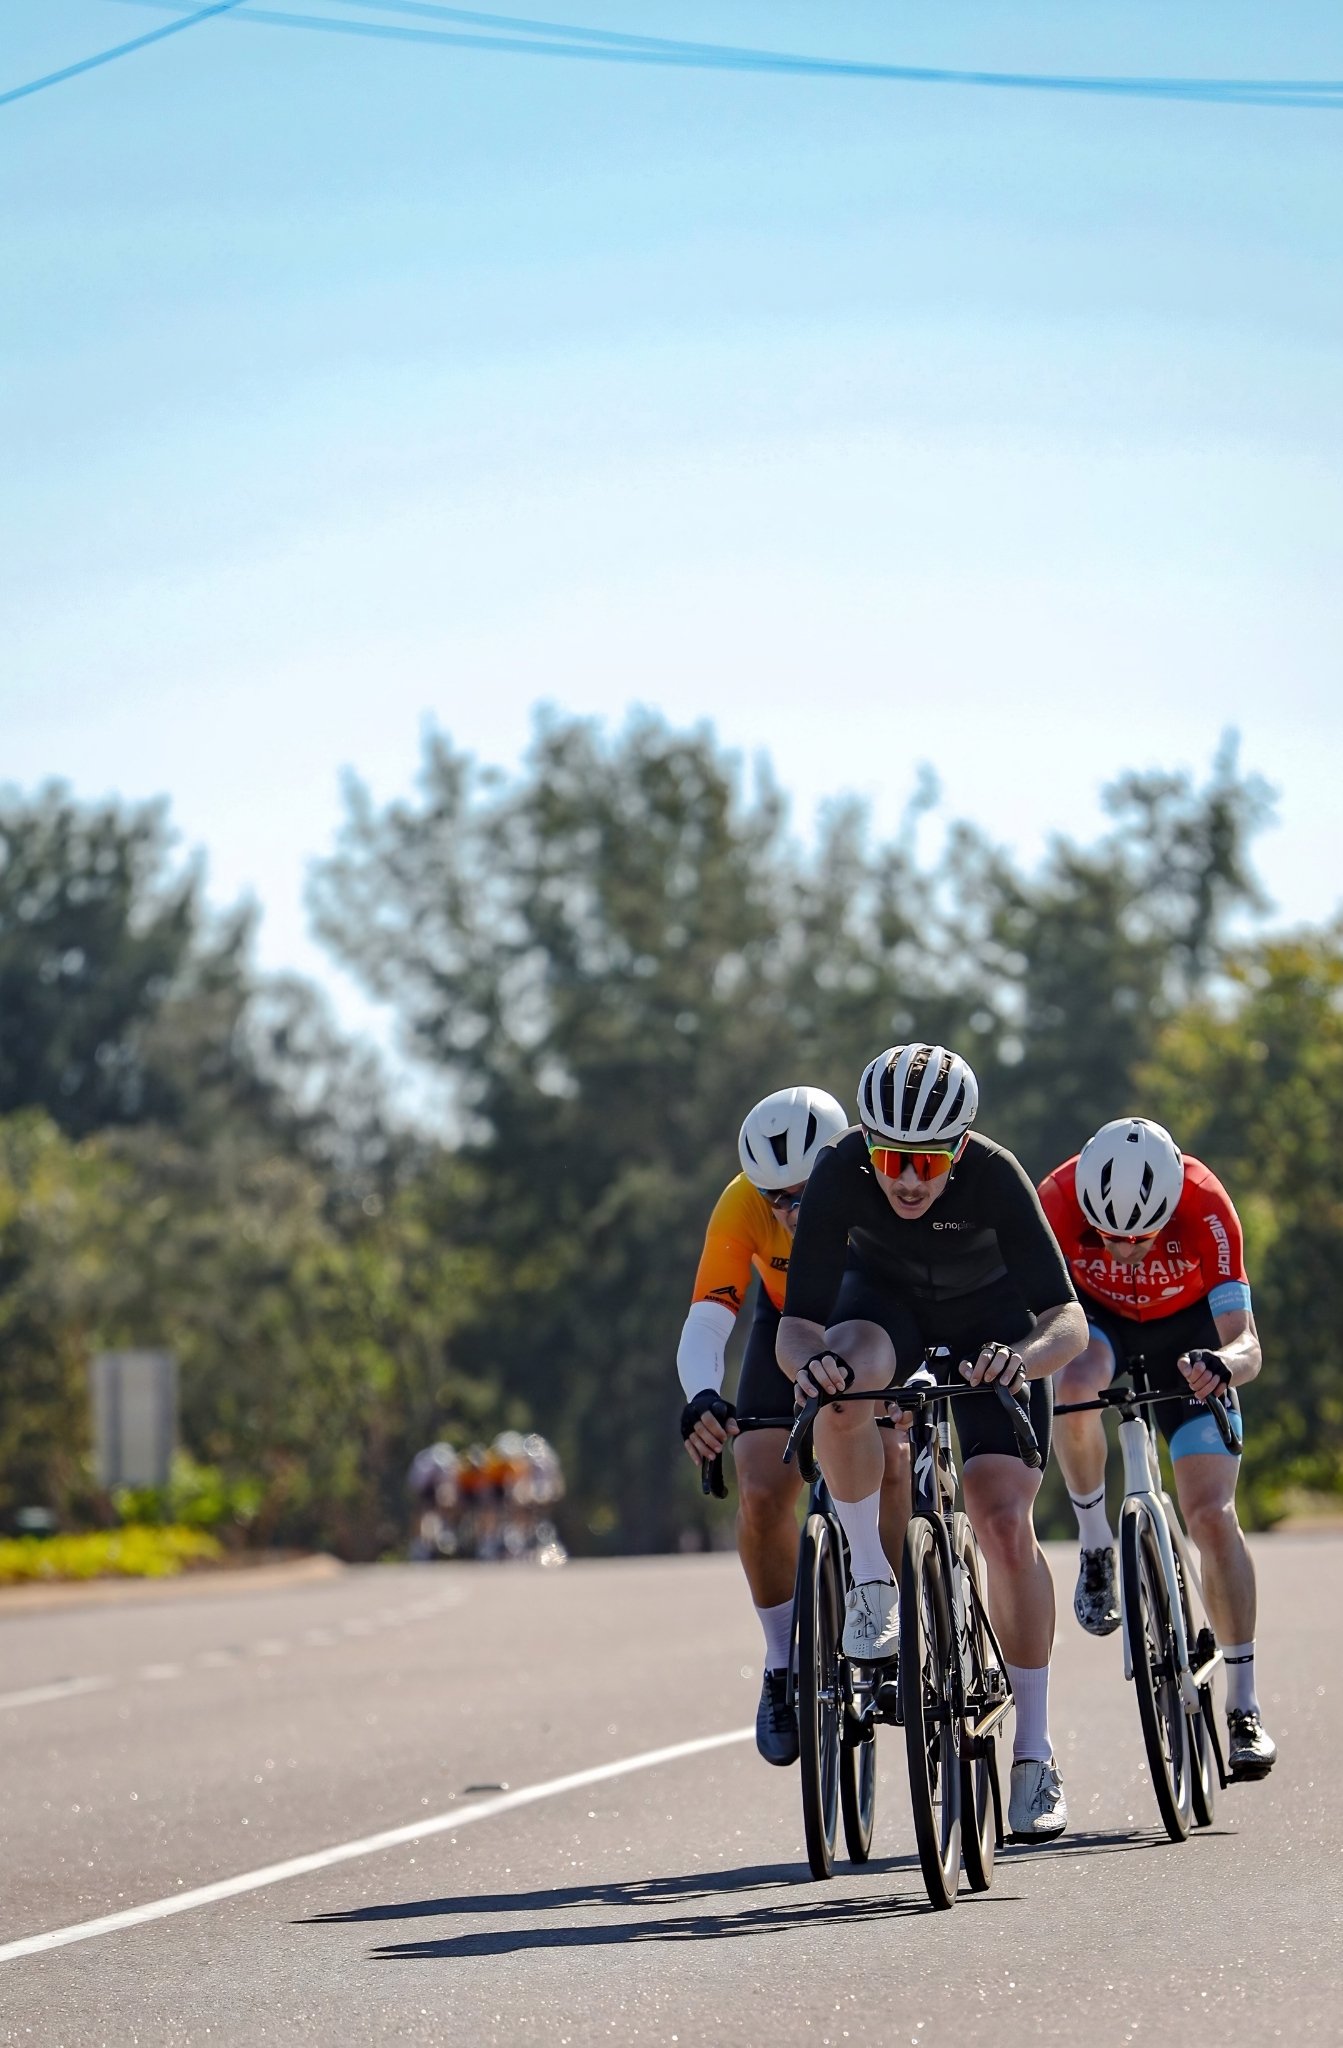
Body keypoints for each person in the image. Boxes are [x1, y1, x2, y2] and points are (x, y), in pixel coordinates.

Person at [778, 1043, 1088, 1841]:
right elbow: (798, 1326)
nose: (906, 1178)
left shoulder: (994, 1174)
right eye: (889, 1157)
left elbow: (1067, 1320)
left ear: (958, 1149)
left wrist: (1021, 1361)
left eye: (926, 1161)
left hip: (992, 1329)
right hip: (884, 1312)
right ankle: (874, 1583)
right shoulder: (840, 1171)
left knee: (1000, 1523)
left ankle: (1032, 1752)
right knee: (842, 1383)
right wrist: (812, 1368)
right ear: (865, 1146)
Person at [1038, 1116, 1276, 1779]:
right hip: (1101, 1327)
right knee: (1073, 1384)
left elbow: (1247, 1342)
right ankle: (1094, 1545)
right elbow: (1029, 1313)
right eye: (1107, 1237)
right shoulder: (1053, 1199)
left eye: (1139, 1237)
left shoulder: (1204, 1203)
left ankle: (1243, 1704)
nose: (1122, 1251)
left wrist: (1222, 1363)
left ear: (1168, 1208)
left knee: (1210, 1516)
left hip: (1191, 1341)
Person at [677, 1084, 876, 1769]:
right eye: (775, 1199)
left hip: (870, 1320)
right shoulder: (741, 1203)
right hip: (787, 1324)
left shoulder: (872, 1178)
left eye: (802, 1194)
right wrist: (701, 1394)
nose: (789, 1212)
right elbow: (708, 1316)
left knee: (893, 1445)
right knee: (760, 1489)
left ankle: (905, 1604)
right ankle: (783, 1661)